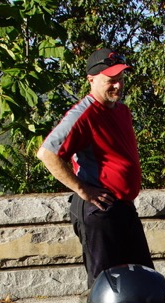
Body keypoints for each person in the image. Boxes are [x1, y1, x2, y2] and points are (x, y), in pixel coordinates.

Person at [37, 47, 153, 288]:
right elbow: (47, 153)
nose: (118, 86)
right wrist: (83, 189)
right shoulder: (83, 115)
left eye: (120, 79)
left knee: (141, 277)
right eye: (111, 80)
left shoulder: (122, 111)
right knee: (105, 285)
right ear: (91, 79)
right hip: (99, 210)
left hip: (123, 207)